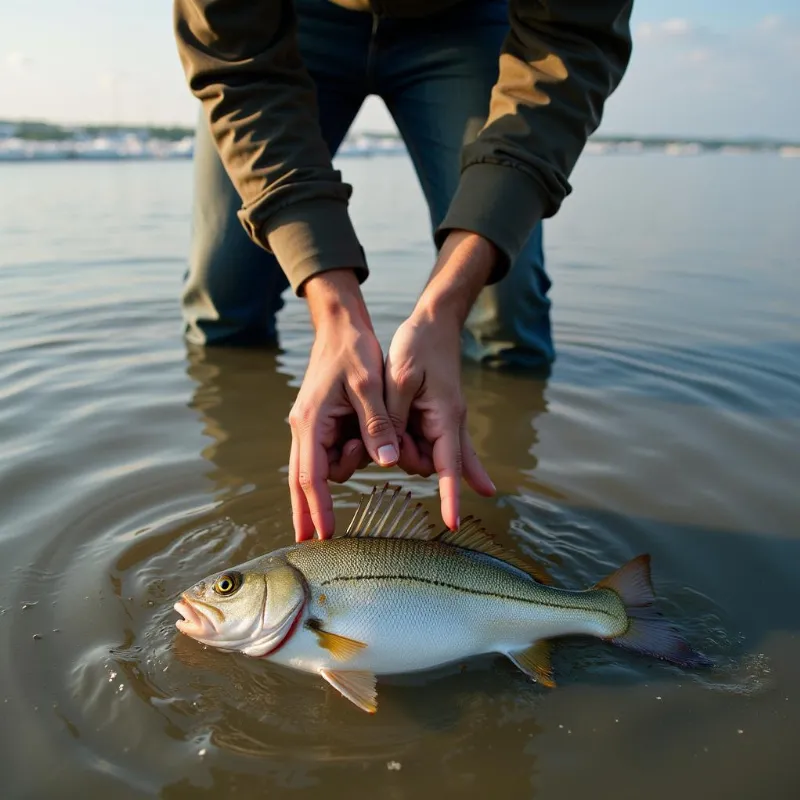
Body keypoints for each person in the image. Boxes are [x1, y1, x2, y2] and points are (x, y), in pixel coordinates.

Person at [172, 0, 633, 541]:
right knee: (224, 302)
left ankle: (500, 534)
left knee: (509, 314)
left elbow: (569, 53)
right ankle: (241, 525)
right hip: (286, 21)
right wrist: (334, 309)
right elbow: (235, 68)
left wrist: (442, 309)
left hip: (470, 22)